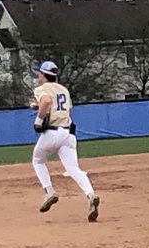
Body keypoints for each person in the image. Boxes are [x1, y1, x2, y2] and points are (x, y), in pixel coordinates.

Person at [29, 60, 100, 222]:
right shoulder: (64, 90)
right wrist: (37, 106)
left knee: (38, 161)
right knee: (74, 168)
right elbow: (64, 108)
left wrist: (38, 121)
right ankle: (91, 194)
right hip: (68, 134)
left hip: (52, 133)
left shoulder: (41, 89)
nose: (37, 76)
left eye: (39, 73)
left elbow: (46, 101)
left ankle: (49, 191)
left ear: (43, 75)